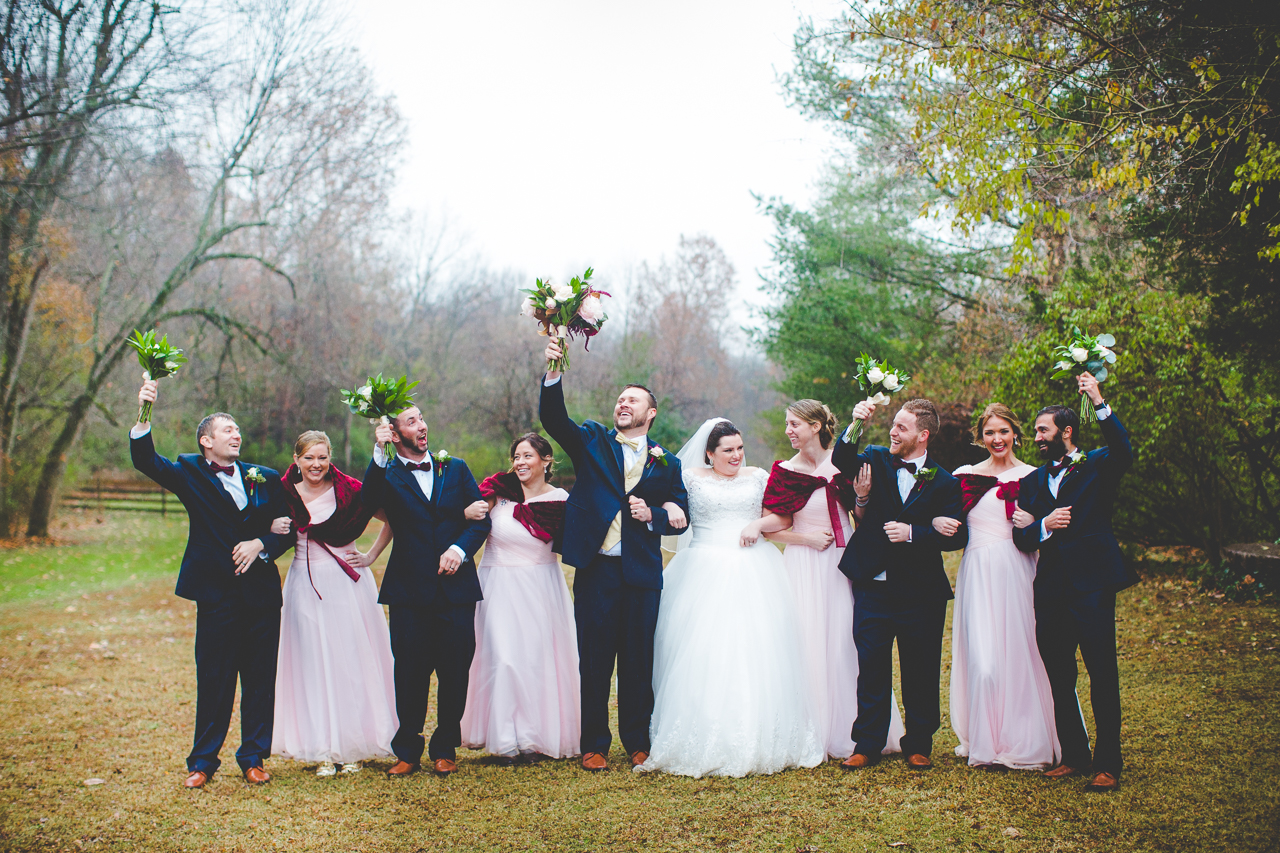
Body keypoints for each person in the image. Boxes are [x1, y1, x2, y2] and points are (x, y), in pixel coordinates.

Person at [129, 379, 292, 788]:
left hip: (261, 596)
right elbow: (146, 460)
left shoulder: (266, 477)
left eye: (237, 429)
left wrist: (261, 542)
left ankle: (253, 756)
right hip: (216, 595)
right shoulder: (189, 472)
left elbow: (290, 530)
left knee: (259, 678)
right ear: (206, 441)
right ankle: (202, 762)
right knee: (215, 677)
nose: (236, 434)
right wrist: (145, 410)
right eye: (226, 429)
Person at [639, 419, 824, 778]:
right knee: (702, 649)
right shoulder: (690, 477)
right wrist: (669, 505)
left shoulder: (757, 476)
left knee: (756, 649)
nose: (737, 455)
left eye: (740, 448)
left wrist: (758, 525)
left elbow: (780, 515)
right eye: (728, 450)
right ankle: (700, 730)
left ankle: (759, 731)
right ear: (710, 454)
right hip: (702, 568)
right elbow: (663, 496)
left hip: (754, 568)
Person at [538, 339, 689, 772]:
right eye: (621, 399)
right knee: (596, 660)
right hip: (596, 569)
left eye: (633, 400)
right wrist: (554, 370)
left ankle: (638, 741)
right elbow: (553, 418)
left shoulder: (668, 463)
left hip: (642, 573)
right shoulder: (592, 440)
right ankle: (594, 744)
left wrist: (655, 513)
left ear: (651, 412)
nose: (624, 404)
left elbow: (683, 514)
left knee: (638, 659)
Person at [762, 400, 905, 759]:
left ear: (815, 426)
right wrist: (806, 540)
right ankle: (809, 728)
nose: (788, 430)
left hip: (843, 564)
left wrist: (861, 497)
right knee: (806, 640)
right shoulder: (783, 472)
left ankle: (853, 729)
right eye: (786, 424)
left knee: (847, 642)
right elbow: (772, 530)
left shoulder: (844, 463)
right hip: (803, 563)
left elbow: (861, 517)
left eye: (794, 424)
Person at [831, 397, 968, 771]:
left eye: (902, 427)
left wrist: (916, 532)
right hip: (872, 585)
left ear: (922, 436)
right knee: (871, 665)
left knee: (921, 669)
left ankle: (919, 743)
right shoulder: (875, 457)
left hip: (920, 592)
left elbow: (957, 537)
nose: (893, 430)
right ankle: (867, 744)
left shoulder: (945, 482)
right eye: (893, 423)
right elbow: (840, 460)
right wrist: (856, 422)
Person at [1013, 374, 1134, 793]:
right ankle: (1075, 756)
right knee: (1059, 675)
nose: (1036, 438)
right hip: (1049, 590)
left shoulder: (1098, 463)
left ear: (1066, 431)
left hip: (1092, 586)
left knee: (1102, 673)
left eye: (1042, 430)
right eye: (1034, 432)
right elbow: (1021, 536)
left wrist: (1098, 399)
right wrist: (1043, 525)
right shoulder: (1030, 482)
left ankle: (1108, 763)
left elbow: (1124, 449)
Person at [360, 406, 491, 777]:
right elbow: (367, 501)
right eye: (412, 422)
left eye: (422, 418)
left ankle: (446, 746)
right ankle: (407, 750)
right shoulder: (386, 473)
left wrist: (459, 549)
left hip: (457, 591)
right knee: (410, 672)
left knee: (455, 672)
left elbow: (482, 520)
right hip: (408, 592)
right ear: (394, 432)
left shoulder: (457, 468)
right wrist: (377, 454)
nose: (423, 426)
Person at [937, 404, 1060, 771]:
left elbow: (1049, 529)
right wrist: (936, 518)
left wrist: (1035, 520)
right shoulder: (964, 476)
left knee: (1023, 652)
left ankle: (1025, 736)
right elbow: (943, 515)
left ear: (1016, 434)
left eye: (1003, 431)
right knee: (985, 661)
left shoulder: (1034, 476)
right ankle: (986, 740)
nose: (997, 439)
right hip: (978, 572)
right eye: (989, 433)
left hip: (1019, 570)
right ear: (980, 437)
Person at [270, 430, 398, 777]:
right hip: (305, 584)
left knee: (349, 660)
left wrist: (371, 555)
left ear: (330, 459)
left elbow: (391, 519)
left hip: (347, 583)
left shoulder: (350, 489)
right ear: (296, 460)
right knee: (313, 661)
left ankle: (352, 744)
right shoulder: (283, 494)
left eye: (322, 457)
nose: (316, 464)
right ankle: (323, 747)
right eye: (309, 457)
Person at [459, 433, 578, 763]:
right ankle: (504, 739)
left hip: (540, 587)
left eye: (528, 456)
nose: (520, 462)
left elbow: (576, 538)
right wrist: (466, 511)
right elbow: (468, 519)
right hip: (497, 584)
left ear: (546, 461)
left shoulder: (560, 500)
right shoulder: (497, 492)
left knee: (535, 659)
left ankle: (532, 737)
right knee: (504, 658)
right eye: (516, 457)